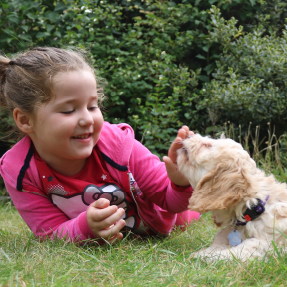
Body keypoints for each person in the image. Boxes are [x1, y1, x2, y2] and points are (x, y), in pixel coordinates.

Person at [0, 47, 200, 244]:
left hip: (163, 217)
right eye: (69, 110)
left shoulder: (119, 145)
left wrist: (182, 182)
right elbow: (50, 233)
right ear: (25, 120)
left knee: (188, 213)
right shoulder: (19, 170)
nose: (87, 119)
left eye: (92, 106)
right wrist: (85, 227)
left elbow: (169, 200)